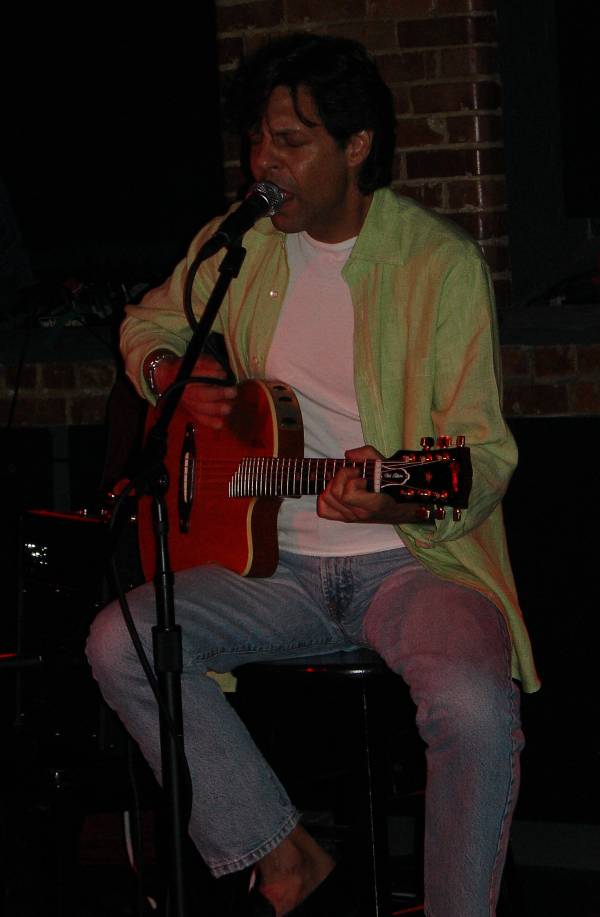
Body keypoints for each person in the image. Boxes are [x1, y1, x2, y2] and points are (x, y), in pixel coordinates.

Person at [87, 33, 539, 917]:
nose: (265, 162)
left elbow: (482, 455)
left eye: (291, 141)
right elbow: (148, 324)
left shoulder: (438, 265)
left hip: (411, 562)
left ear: (357, 144)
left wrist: (399, 489)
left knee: (476, 707)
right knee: (120, 639)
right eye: (257, 139)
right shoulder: (242, 250)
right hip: (271, 567)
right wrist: (172, 378)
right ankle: (280, 851)